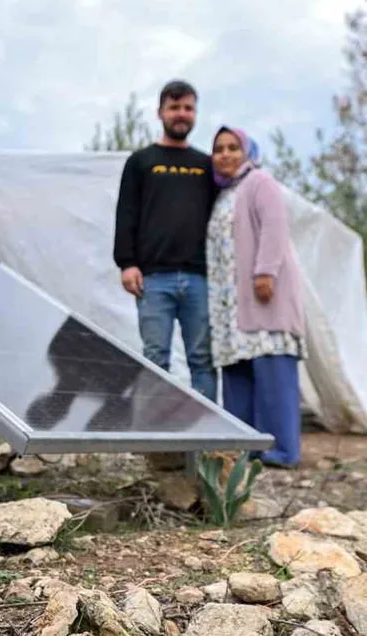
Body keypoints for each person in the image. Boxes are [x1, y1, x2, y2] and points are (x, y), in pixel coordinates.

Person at [205, 127, 305, 468]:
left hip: (262, 295)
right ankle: (244, 448)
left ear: (247, 152)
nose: (226, 154)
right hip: (230, 306)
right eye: (219, 149)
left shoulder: (259, 182)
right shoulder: (224, 193)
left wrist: (265, 272)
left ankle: (281, 450)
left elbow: (275, 226)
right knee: (238, 373)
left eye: (234, 147)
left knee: (273, 372)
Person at [112, 79, 217, 404]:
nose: (181, 114)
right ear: (161, 112)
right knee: (155, 359)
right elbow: (126, 213)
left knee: (203, 359)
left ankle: (207, 437)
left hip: (200, 278)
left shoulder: (206, 165)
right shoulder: (142, 161)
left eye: (188, 108)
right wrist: (127, 263)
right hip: (153, 279)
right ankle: (157, 439)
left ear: (195, 114)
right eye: (174, 108)